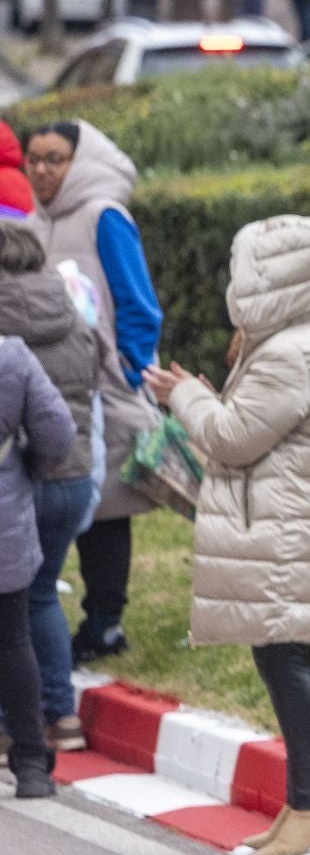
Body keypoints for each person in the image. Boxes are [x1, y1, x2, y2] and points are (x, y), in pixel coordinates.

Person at [144, 216, 310, 855]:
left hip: (291, 531)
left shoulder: (288, 353)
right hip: (291, 523)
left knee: (286, 660)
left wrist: (184, 396)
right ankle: (302, 803)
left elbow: (232, 437)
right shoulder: (301, 339)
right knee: (284, 659)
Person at [26, 121, 162, 667]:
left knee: (105, 510)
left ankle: (105, 620)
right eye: (34, 160)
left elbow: (137, 302)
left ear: (79, 162)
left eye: (55, 159)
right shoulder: (35, 220)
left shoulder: (103, 215)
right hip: (48, 390)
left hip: (102, 389)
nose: (42, 171)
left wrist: (129, 371)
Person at [0, 222, 98, 753]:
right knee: (42, 597)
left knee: (10, 612)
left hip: (19, 482)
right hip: (75, 476)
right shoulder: (72, 311)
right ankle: (63, 718)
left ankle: (9, 725)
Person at [0, 333, 73, 797]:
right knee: (12, 639)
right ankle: (30, 764)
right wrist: (28, 467)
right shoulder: (11, 356)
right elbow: (58, 432)